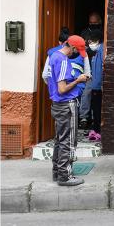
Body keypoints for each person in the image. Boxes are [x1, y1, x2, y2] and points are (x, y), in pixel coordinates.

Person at [47, 35, 89, 186]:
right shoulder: (63, 60)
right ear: (72, 48)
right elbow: (62, 88)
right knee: (68, 141)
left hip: (57, 105)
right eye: (77, 51)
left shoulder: (53, 56)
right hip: (66, 104)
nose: (77, 54)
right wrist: (78, 80)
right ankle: (65, 175)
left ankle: (57, 172)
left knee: (60, 139)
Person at [79, 12, 103, 127]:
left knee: (98, 94)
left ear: (100, 22)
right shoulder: (84, 33)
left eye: (95, 23)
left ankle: (96, 118)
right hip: (87, 68)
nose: (93, 25)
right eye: (91, 23)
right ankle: (84, 117)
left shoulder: (103, 32)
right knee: (86, 92)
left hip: (99, 69)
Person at [87, 29, 104, 141]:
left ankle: (97, 130)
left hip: (99, 86)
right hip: (95, 85)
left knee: (97, 109)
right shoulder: (96, 51)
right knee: (95, 108)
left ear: (97, 41)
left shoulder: (102, 50)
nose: (90, 44)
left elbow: (102, 68)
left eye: (91, 41)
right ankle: (95, 129)